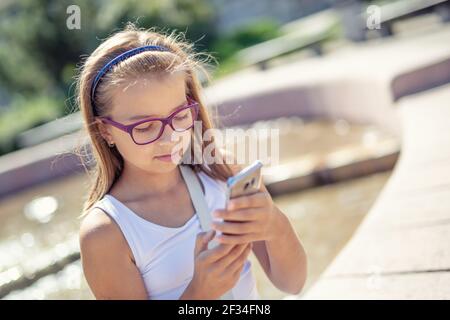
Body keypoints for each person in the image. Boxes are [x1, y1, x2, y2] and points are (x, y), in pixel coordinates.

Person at [76, 23, 307, 300]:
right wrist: (200, 293)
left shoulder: (223, 175)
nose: (170, 138)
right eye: (145, 127)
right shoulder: (106, 232)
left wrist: (274, 224)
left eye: (180, 116)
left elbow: (292, 283)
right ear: (105, 131)